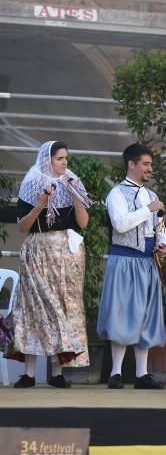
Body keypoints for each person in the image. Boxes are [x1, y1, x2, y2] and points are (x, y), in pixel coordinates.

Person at [3, 141, 92, 388]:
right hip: (38, 249)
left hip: (67, 253)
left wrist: (76, 197)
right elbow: (22, 226)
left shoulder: (72, 182)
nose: (65, 162)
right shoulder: (32, 183)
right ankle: (29, 373)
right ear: (47, 159)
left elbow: (83, 223)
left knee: (63, 306)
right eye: (60, 158)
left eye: (66, 158)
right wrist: (41, 203)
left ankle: (58, 372)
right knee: (33, 306)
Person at [97, 143, 166, 389]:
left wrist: (164, 244)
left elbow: (160, 227)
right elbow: (120, 224)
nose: (150, 168)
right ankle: (116, 373)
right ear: (131, 164)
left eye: (150, 164)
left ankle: (142, 374)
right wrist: (147, 209)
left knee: (146, 317)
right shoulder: (117, 194)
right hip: (125, 261)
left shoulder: (151, 195)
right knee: (122, 314)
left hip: (147, 262)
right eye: (145, 164)